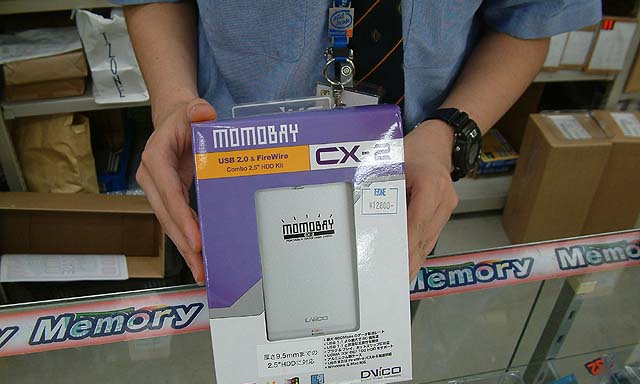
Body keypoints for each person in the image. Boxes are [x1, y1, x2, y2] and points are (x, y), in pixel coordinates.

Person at [115, 0, 600, 284]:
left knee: (366, 377)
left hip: (408, 180)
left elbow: (528, 21)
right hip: (232, 172)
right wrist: (173, 103)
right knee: (252, 374)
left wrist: (448, 131)